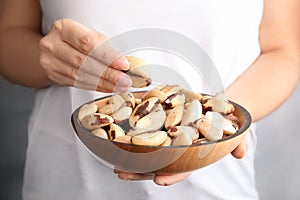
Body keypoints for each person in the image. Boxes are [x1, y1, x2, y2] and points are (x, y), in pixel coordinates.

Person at [0, 0, 299, 199]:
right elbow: (8, 39)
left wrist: (216, 123)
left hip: (216, 187)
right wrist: (46, 58)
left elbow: (284, 50)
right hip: (65, 182)